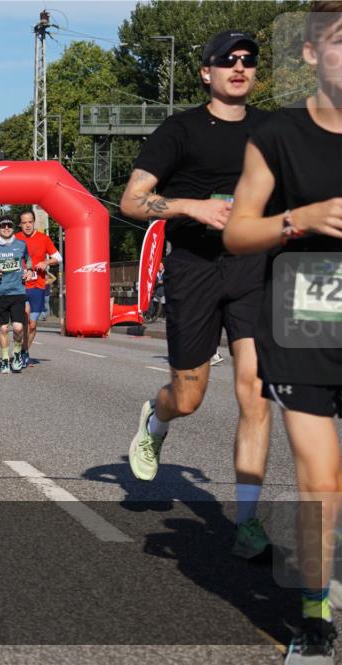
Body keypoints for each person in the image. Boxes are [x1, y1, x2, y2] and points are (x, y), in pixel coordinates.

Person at [121, 29, 273, 561]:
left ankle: (247, 521)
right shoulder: (179, 129)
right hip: (194, 269)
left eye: (248, 60)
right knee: (188, 397)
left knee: (256, 393)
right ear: (206, 72)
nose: (239, 67)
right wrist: (192, 207)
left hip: (255, 270)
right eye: (226, 60)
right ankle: (155, 422)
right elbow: (133, 201)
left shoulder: (272, 129)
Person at [223, 4, 342, 660]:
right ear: (309, 55)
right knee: (322, 479)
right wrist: (300, 217)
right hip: (306, 315)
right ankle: (314, 616)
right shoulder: (277, 136)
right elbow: (239, 231)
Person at [0, 216, 36, 374]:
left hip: (18, 291)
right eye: (3, 225)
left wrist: (30, 271)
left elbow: (29, 260)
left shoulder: (21, 244)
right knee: (4, 329)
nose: (6, 228)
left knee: (18, 328)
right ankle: (5, 360)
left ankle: (17, 354)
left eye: (9, 225)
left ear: (13, 228)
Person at [17, 210, 61, 366]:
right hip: (20, 287)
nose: (27, 225)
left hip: (38, 286)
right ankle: (20, 353)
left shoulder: (44, 239)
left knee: (33, 324)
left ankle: (24, 352)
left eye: (30, 222)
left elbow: (58, 257)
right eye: (24, 223)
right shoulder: (15, 239)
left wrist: (46, 262)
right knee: (24, 319)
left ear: (34, 222)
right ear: (20, 224)